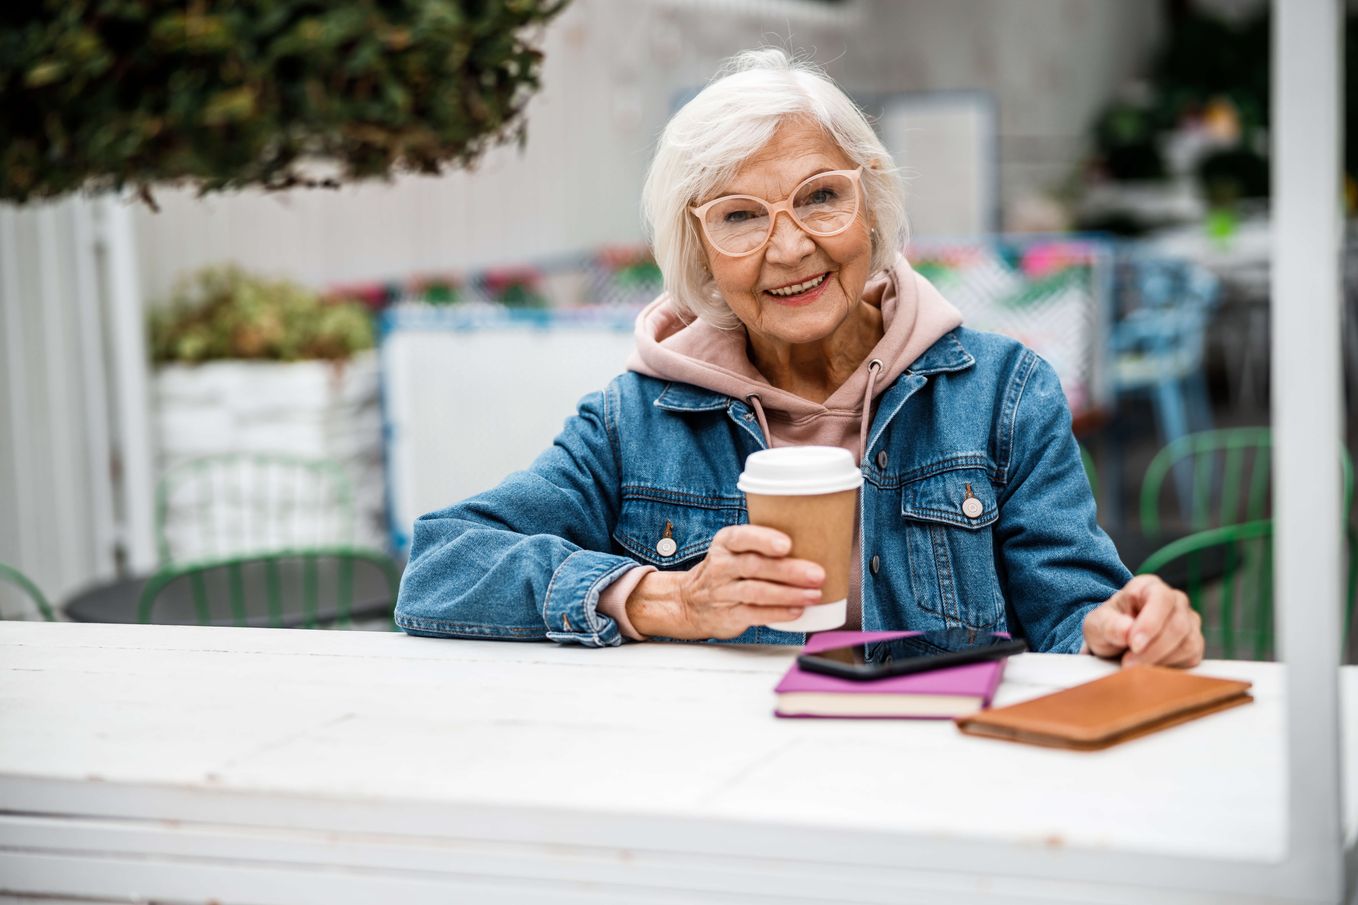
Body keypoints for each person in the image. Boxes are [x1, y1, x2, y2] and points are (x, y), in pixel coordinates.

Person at [396, 49, 1205, 667]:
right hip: (724, 790)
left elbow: (1076, 614)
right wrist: (669, 598)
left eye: (822, 196)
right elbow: (439, 568)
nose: (789, 247)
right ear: (699, 250)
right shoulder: (635, 417)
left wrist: (1120, 628)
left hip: (942, 781)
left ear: (872, 203)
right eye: (741, 216)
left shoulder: (1001, 393)